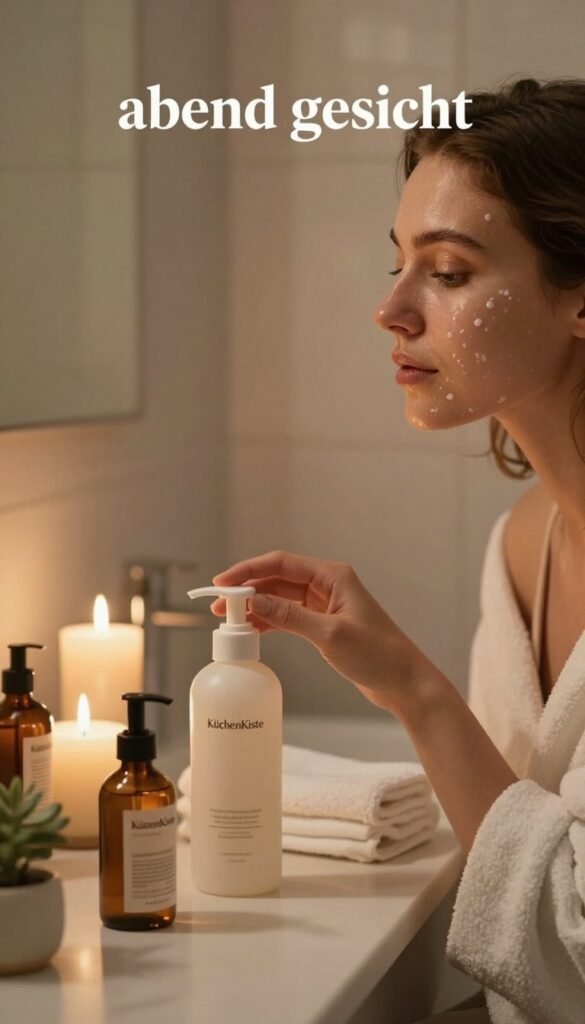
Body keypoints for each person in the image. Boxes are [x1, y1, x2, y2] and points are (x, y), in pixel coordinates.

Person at [211, 77, 585, 1024]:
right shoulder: (521, 543)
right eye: (398, 263)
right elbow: (518, 871)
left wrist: (416, 693)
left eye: (449, 273)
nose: (392, 309)